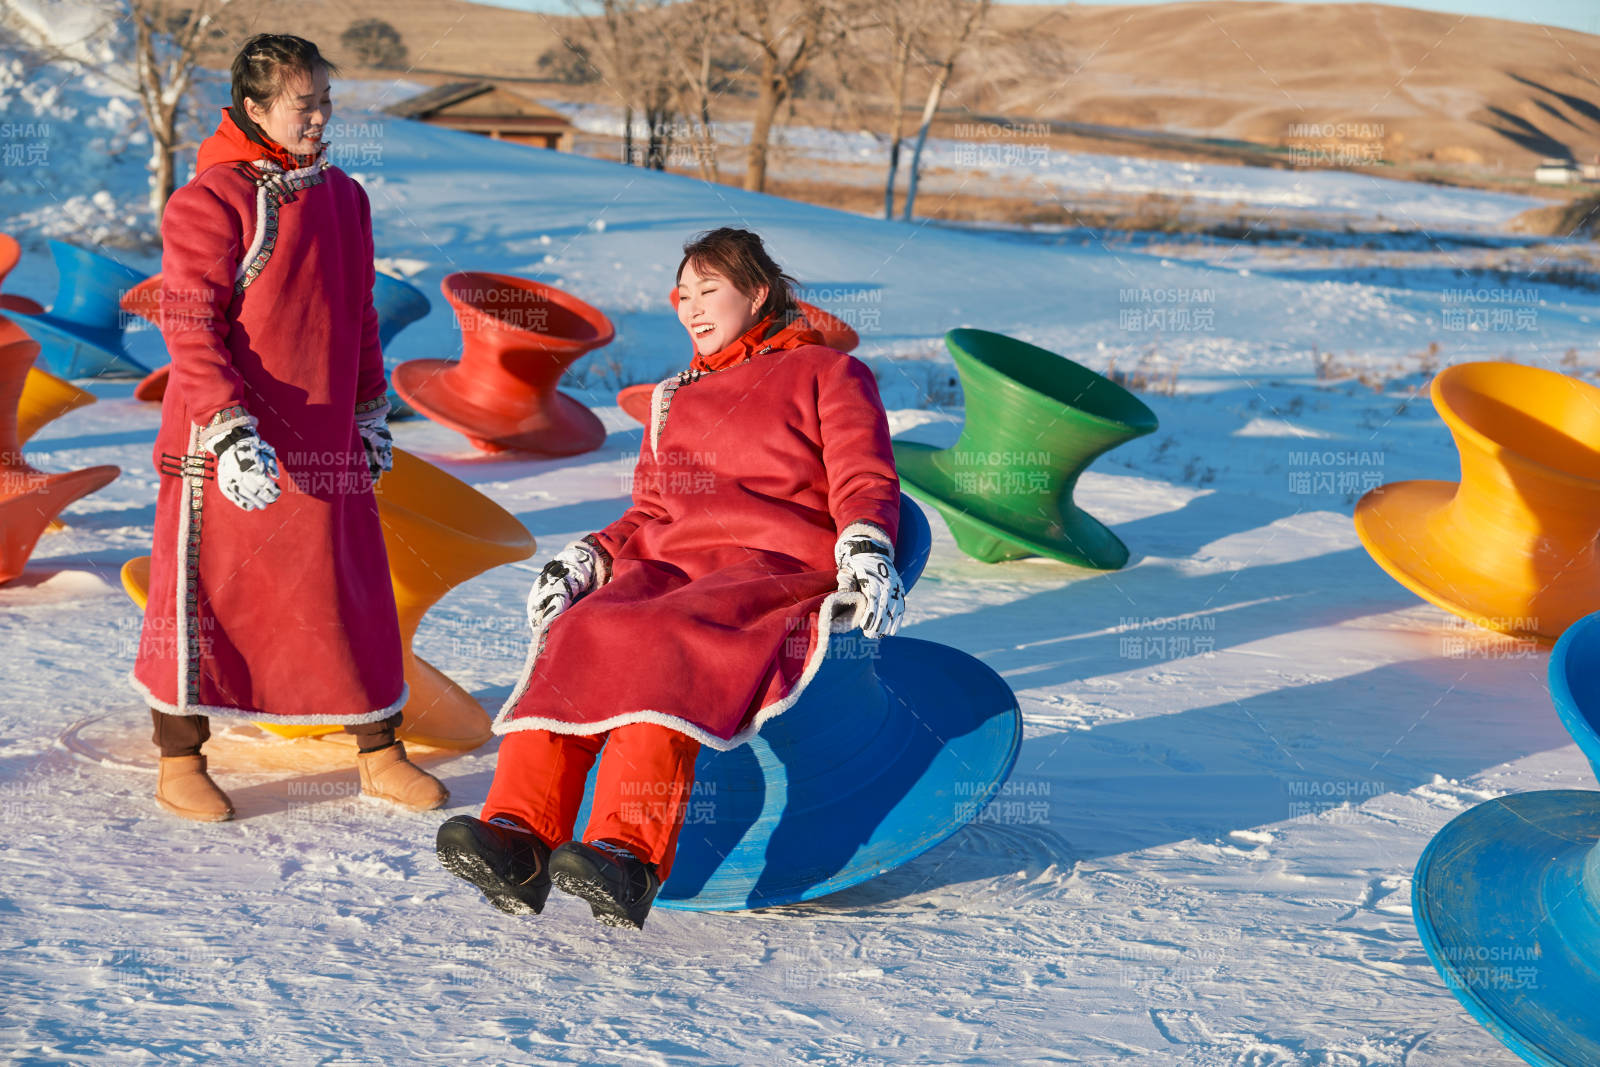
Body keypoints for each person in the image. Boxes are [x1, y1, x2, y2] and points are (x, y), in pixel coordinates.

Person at [437, 228, 905, 929]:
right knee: (584, 627)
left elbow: (863, 474)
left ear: (758, 291)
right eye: (682, 295)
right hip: (670, 564)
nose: (691, 307)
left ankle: (628, 856)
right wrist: (591, 557)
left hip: (771, 569)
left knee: (666, 636)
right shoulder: (675, 396)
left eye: (708, 289)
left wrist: (867, 544)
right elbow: (650, 510)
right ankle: (518, 838)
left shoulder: (828, 373)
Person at [132, 34, 446, 820]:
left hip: (327, 436)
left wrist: (372, 412)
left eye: (325, 101)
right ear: (256, 108)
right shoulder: (207, 201)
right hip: (227, 442)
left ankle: (379, 751)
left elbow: (359, 317)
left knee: (352, 590)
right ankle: (180, 759)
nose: (321, 117)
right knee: (203, 595)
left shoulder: (345, 197)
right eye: (305, 104)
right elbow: (192, 328)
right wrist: (230, 428)